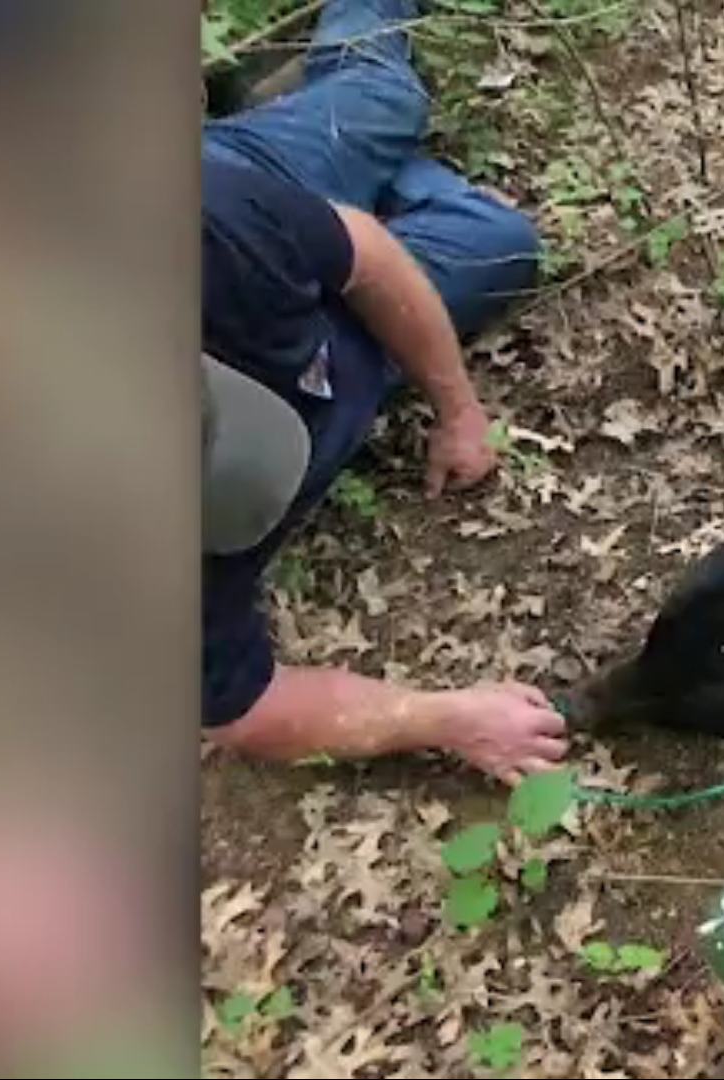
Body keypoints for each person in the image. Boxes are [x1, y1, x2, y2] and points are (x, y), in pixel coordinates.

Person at [200, 0, 568, 785]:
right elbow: (245, 710)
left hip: (249, 198)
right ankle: (344, 167)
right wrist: (445, 718)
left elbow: (366, 256)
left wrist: (460, 411)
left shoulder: (204, 233)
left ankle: (347, 75)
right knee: (493, 241)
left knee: (382, 100)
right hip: (310, 291)